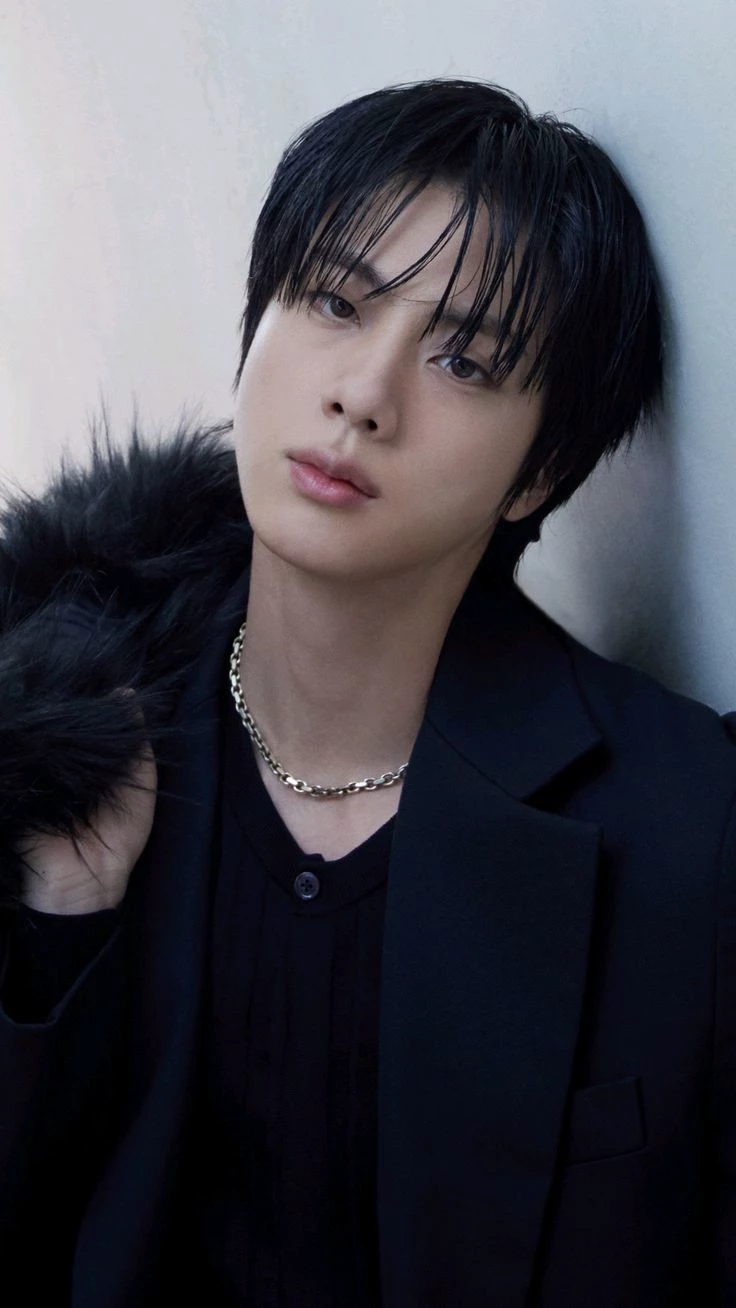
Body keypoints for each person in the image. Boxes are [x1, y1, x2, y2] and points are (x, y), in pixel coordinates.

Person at [0, 76, 734, 1308]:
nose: (362, 395)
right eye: (334, 302)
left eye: (463, 360)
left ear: (539, 470)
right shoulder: (59, 740)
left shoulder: (686, 824)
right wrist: (64, 928)